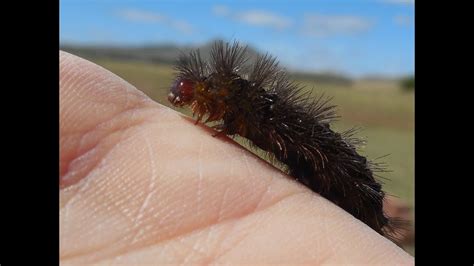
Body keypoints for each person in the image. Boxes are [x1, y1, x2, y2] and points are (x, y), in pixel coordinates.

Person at [60, 51, 414, 265]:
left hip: (351, 183)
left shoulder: (249, 109)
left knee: (330, 173)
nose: (179, 98)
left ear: (215, 95)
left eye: (185, 94)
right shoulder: (239, 108)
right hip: (339, 181)